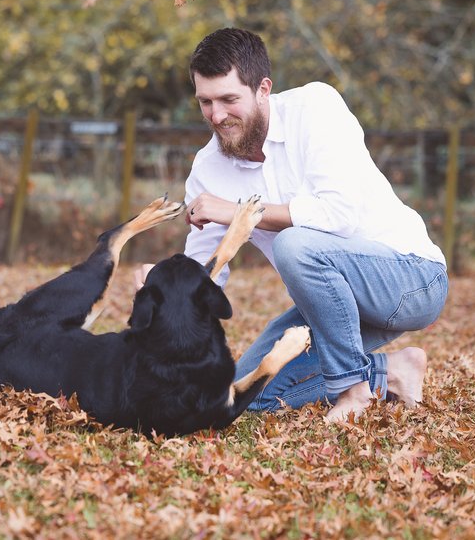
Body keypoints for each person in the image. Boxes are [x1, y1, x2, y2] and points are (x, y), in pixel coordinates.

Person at [141, 28, 448, 423]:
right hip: (331, 305)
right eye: (206, 102)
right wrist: (165, 297)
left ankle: (352, 390)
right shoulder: (207, 169)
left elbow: (337, 216)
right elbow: (207, 277)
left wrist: (238, 212)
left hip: (410, 278)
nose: (217, 115)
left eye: (229, 99)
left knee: (294, 244)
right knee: (244, 393)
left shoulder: (315, 108)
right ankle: (391, 372)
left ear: (263, 89)